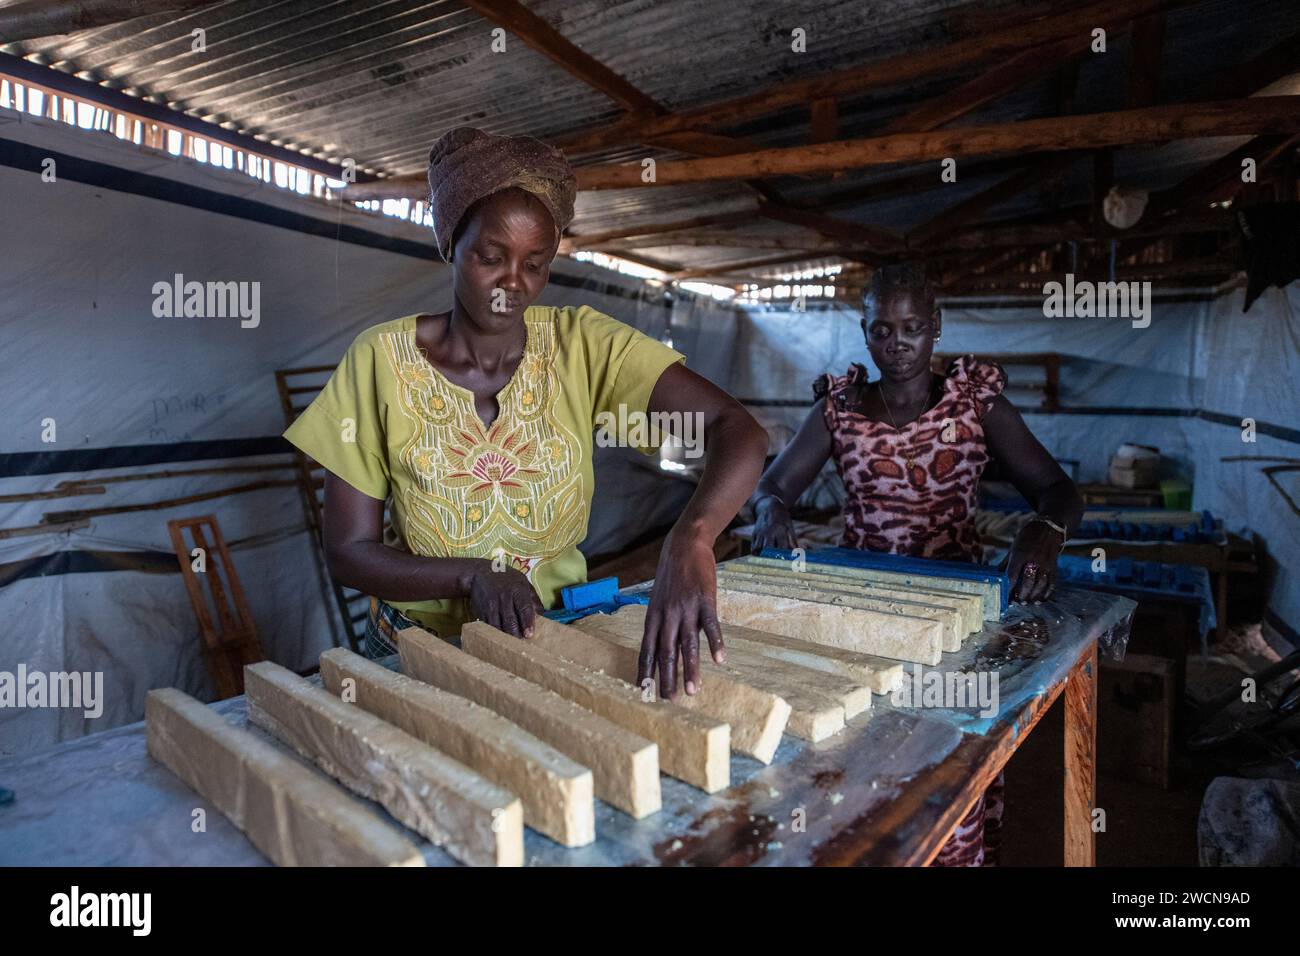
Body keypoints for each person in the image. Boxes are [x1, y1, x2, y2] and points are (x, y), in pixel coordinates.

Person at [285, 126, 767, 700]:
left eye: (535, 264)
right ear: (451, 245)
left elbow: (737, 430)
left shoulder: (583, 346)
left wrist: (692, 537)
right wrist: (471, 575)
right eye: (491, 257)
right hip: (417, 648)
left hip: (557, 636)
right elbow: (348, 551)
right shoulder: (381, 361)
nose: (512, 284)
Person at [749, 263, 1084, 865]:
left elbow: (1057, 488)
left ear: (935, 328)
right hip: (862, 611)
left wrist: (1047, 528)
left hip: (958, 613)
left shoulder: (974, 404)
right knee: (863, 740)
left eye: (911, 328)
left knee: (949, 750)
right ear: (865, 331)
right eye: (881, 330)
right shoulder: (840, 409)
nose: (896, 343)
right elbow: (772, 486)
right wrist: (770, 510)